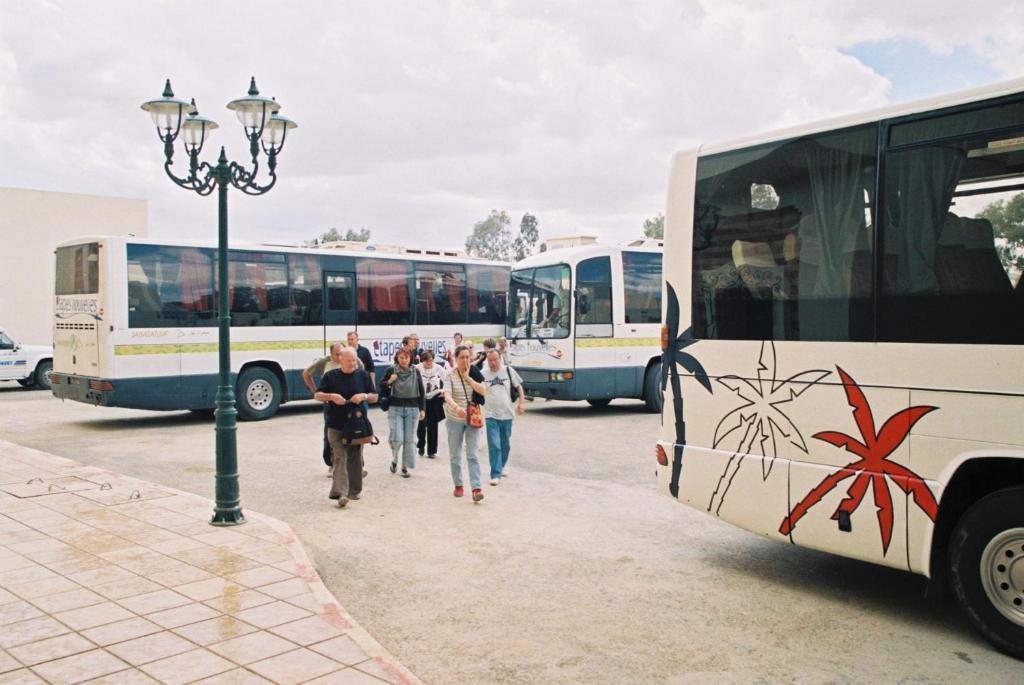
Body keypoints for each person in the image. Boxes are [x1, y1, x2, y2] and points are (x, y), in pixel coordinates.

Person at [314, 348, 377, 508]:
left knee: (355, 458)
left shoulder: (362, 375)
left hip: (356, 424)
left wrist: (363, 396)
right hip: (335, 424)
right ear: (341, 360)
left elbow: (374, 396)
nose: (352, 364)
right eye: (349, 361)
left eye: (354, 361)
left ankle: (354, 491)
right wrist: (331, 397)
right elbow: (317, 395)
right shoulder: (330, 376)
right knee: (340, 456)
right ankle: (340, 493)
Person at [443, 344, 488, 502]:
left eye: (468, 357)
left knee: (472, 454)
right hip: (455, 419)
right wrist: (456, 407)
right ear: (455, 359)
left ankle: (476, 489)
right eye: (462, 357)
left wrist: (468, 377)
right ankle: (458, 485)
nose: (465, 360)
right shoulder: (450, 374)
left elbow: (483, 391)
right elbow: (447, 395)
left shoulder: (475, 372)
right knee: (455, 454)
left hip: (472, 419)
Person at [481, 349, 525, 485]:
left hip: (507, 414)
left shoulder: (508, 371)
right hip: (490, 415)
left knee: (505, 445)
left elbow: (519, 387)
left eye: (495, 360)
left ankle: (501, 466)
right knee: (494, 445)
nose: (493, 363)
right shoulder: (483, 374)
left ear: (500, 359)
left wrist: (521, 403)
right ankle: (495, 474)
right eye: (490, 360)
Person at [382, 348, 425, 477]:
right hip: (395, 408)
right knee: (397, 438)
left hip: (413, 408)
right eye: (401, 357)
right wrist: (390, 381)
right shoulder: (391, 370)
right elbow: (381, 386)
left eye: (406, 357)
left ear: (410, 358)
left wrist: (422, 409)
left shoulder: (415, 371)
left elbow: (421, 391)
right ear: (397, 358)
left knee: (410, 439)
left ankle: (404, 466)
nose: (404, 360)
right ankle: (395, 458)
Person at [303, 342, 344, 475]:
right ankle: (331, 463)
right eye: (336, 355)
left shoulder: (349, 360)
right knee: (330, 434)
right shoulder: (325, 363)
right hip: (330, 405)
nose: (339, 357)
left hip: (347, 404)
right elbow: (306, 373)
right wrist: (316, 392)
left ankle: (354, 465)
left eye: (341, 354)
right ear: (330, 355)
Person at [416, 350, 445, 458]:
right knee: (421, 424)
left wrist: (444, 391)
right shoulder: (417, 368)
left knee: (433, 425)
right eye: (427, 361)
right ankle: (421, 445)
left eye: (431, 360)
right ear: (422, 361)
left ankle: (432, 451)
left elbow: (447, 380)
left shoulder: (438, 368)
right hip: (421, 398)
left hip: (434, 397)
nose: (429, 363)